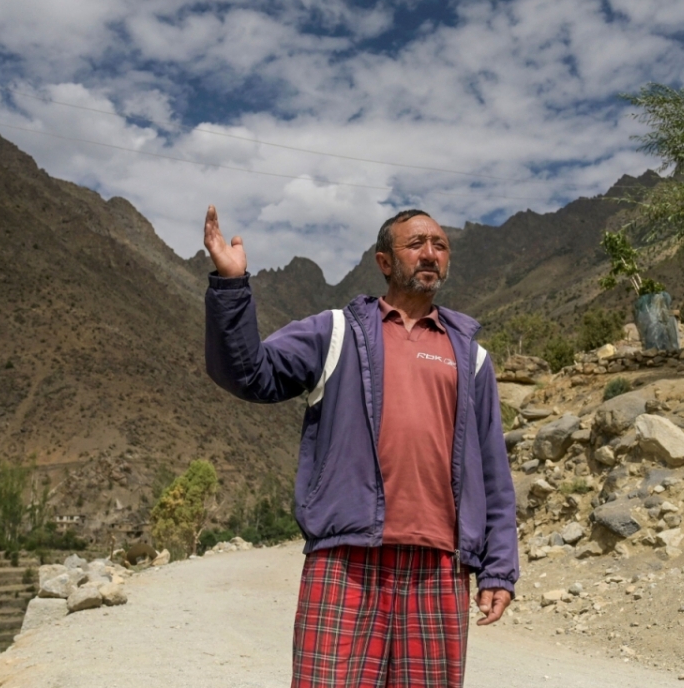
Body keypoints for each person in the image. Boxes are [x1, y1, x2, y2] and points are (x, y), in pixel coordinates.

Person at [202, 205, 518, 688]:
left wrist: (498, 569)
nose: (430, 253)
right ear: (384, 261)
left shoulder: (471, 356)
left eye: (439, 245)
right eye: (416, 244)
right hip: (345, 557)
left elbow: (493, 470)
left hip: (438, 565)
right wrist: (231, 286)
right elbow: (249, 374)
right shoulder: (335, 333)